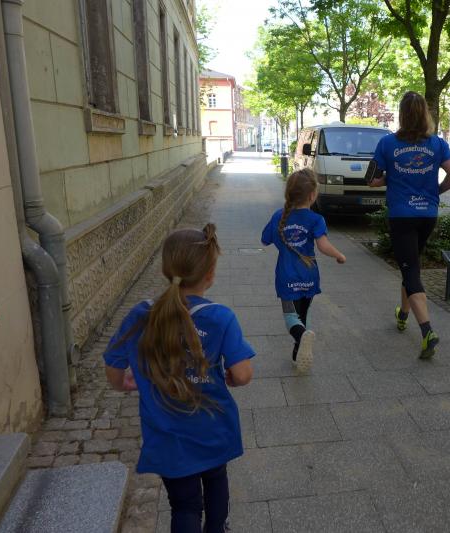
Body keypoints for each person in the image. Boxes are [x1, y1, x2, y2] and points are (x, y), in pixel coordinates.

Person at [104, 224, 255, 533]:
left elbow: (113, 366)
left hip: (167, 436)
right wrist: (231, 376)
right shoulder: (220, 317)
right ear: (210, 274)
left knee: (184, 505)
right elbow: (242, 374)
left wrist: (122, 384)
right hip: (212, 428)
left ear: (165, 269)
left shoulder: (140, 315)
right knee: (216, 482)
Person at [369, 91, 450, 358]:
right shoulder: (438, 144)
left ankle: (427, 331)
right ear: (425, 114)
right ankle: (403, 314)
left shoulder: (387, 143)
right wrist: (436, 192)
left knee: (410, 269)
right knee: (410, 265)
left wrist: (390, 176)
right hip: (427, 215)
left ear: (401, 115)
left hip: (402, 216)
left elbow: (371, 179)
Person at [261, 168, 346, 371]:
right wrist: (339, 255)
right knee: (303, 315)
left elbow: (264, 240)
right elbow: (323, 246)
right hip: (309, 275)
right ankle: (297, 354)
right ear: (312, 195)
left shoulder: (278, 216)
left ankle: (301, 337)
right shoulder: (316, 219)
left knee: (291, 317)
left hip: (286, 277)